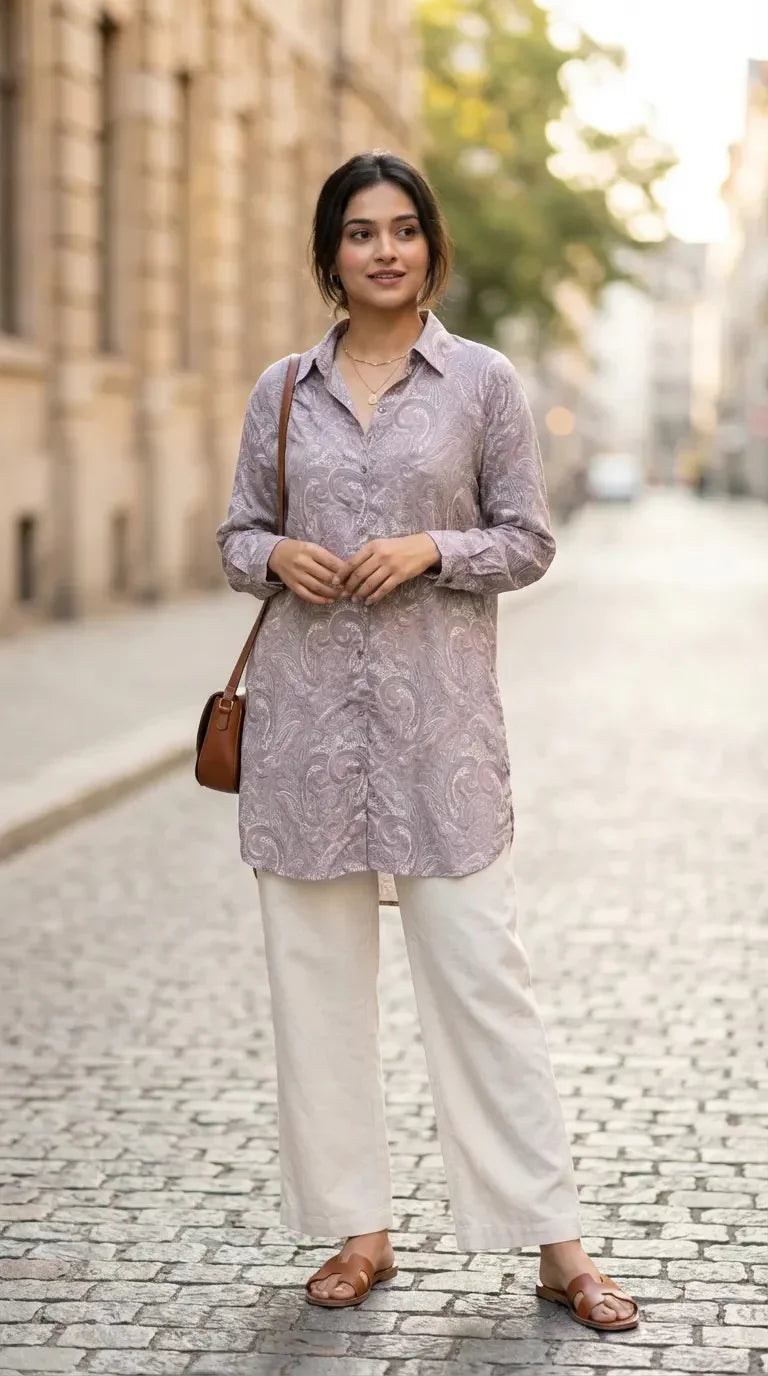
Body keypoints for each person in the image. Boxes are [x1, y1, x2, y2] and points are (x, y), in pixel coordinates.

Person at [216, 150, 638, 1333]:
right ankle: (361, 1230)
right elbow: (237, 529)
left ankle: (557, 1244)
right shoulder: (282, 391)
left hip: (440, 737)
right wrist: (272, 556)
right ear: (331, 255)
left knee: (483, 983)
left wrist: (433, 551)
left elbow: (530, 538)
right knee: (317, 987)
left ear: (431, 247)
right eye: (361, 232)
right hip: (305, 737)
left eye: (404, 228)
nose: (386, 249)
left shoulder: (485, 383)